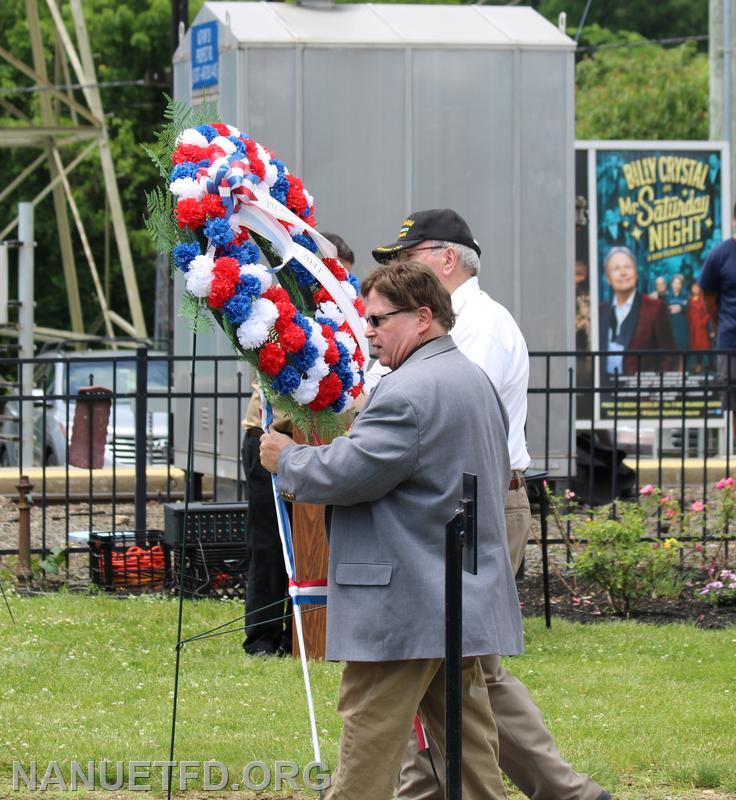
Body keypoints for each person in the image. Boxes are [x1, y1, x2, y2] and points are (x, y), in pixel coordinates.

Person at [260, 262, 523, 800]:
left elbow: (349, 473)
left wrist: (287, 459)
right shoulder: (469, 378)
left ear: (423, 317)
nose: (370, 331)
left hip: (404, 603)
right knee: (470, 752)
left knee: (368, 745)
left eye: (379, 319)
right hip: (455, 596)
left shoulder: (408, 391)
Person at [371, 209, 609, 800]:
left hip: (471, 506)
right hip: (458, 503)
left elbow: (433, 415)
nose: (396, 271)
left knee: (459, 662)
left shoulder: (475, 326)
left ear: (446, 258)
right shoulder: (463, 322)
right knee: (457, 663)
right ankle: (547, 790)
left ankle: (550, 790)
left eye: (406, 258)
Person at [240, 232, 355, 656]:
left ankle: (312, 633)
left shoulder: (348, 324)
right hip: (273, 441)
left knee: (322, 542)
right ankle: (265, 637)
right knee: (270, 543)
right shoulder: (281, 317)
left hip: (324, 444)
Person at [599, 246, 675, 378]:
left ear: (636, 272)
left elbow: (669, 355)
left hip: (640, 394)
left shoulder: (655, 308)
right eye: (616, 268)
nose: (623, 273)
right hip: (605, 393)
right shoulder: (600, 311)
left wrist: (654, 388)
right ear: (608, 278)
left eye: (627, 267)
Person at [699, 203, 736, 428]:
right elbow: (708, 298)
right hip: (732, 342)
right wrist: (722, 324)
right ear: (734, 219)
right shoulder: (720, 255)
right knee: (735, 404)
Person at [686, 283, 713, 374]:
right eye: (693, 287)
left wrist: (703, 322)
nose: (695, 289)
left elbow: (708, 312)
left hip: (701, 328)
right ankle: (697, 365)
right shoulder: (689, 299)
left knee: (703, 347)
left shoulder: (703, 299)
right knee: (694, 347)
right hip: (692, 327)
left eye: (697, 287)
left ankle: (707, 366)